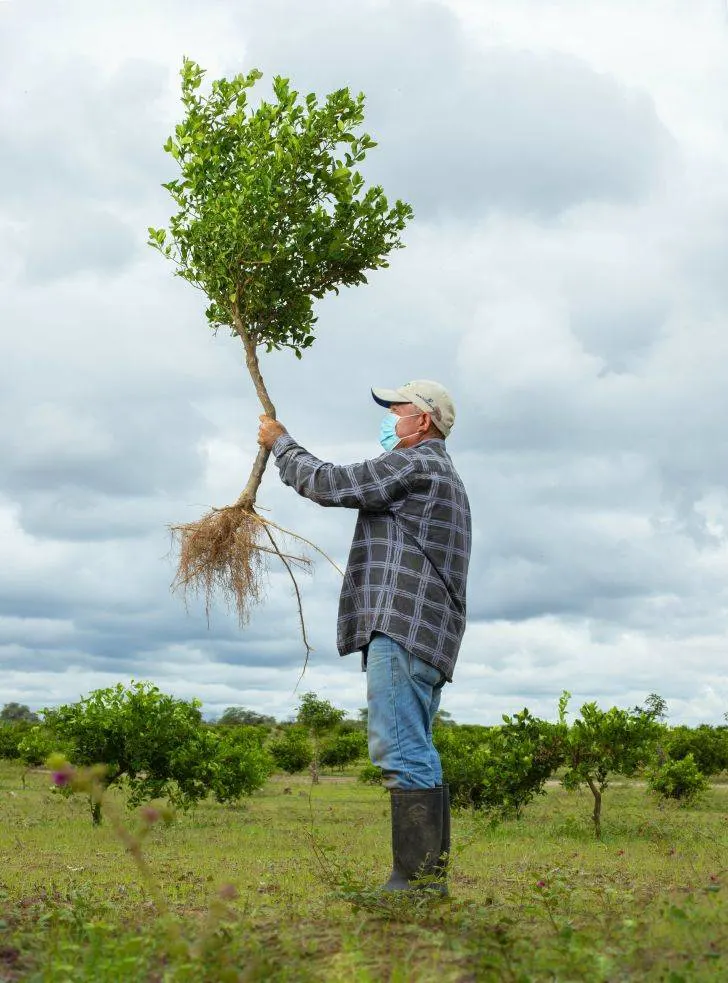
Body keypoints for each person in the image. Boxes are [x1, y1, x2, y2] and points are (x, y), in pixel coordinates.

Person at [257, 380, 471, 894]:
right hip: (426, 633)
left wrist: (279, 443)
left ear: (422, 421)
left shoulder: (417, 463)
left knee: (399, 749)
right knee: (414, 746)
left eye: (396, 409)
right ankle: (425, 882)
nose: (389, 417)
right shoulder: (442, 473)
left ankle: (416, 884)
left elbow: (329, 483)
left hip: (402, 627)